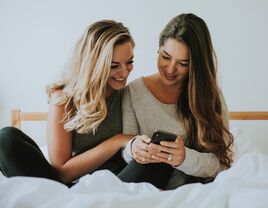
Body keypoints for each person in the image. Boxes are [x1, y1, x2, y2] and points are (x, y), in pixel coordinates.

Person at [0, 20, 135, 186]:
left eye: (129, 62)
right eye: (114, 65)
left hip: (120, 181)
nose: (124, 72)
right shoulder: (64, 100)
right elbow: (63, 173)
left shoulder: (131, 94)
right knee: (5, 138)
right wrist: (117, 140)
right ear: (93, 64)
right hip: (73, 185)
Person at [120, 13, 234, 190]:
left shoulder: (211, 97)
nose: (171, 69)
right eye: (165, 57)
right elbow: (125, 152)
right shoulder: (134, 91)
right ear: (158, 50)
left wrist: (183, 158)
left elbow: (222, 163)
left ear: (196, 65)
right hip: (145, 183)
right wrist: (133, 147)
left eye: (183, 63)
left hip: (191, 189)